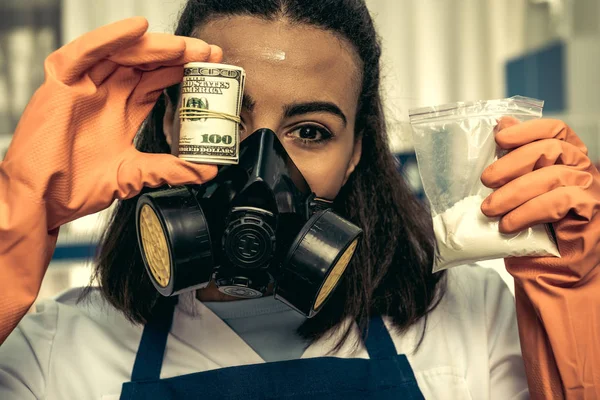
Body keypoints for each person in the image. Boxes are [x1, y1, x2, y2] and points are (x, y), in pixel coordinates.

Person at [0, 0, 598, 399]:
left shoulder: (467, 321)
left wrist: (579, 304)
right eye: (225, 119)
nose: (260, 170)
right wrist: (15, 222)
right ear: (171, 124)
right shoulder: (56, 352)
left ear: (355, 155)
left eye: (310, 132)